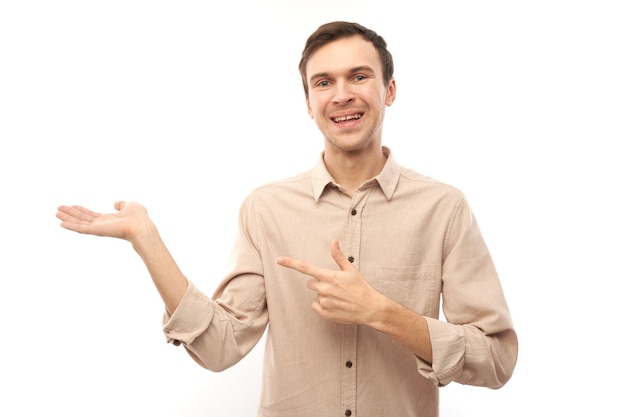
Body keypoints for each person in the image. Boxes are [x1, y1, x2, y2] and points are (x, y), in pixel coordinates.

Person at [56, 21, 518, 417]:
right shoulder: (266, 208)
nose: (341, 95)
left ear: (389, 90)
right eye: (323, 82)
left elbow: (497, 360)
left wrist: (382, 312)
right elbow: (220, 346)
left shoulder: (444, 208)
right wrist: (146, 239)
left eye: (359, 76)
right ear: (308, 102)